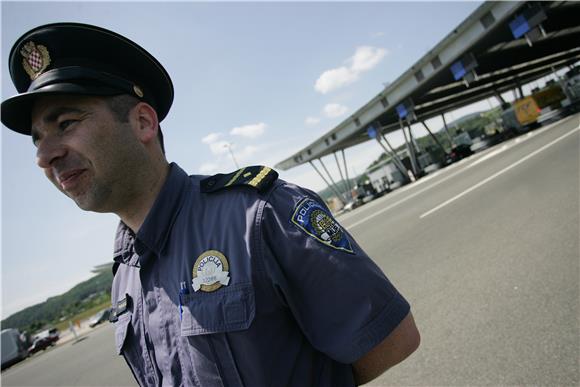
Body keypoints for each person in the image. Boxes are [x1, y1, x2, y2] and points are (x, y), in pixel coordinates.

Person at [1, 22, 419, 386]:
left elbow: (390, 339)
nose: (45, 155)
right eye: (38, 140)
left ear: (143, 122)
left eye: (66, 124)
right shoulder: (125, 273)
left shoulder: (256, 214)